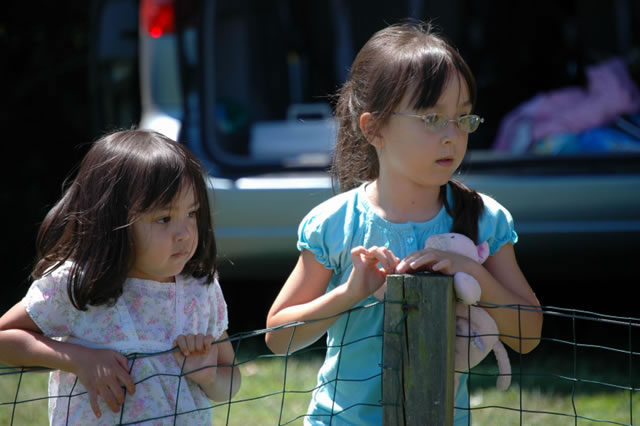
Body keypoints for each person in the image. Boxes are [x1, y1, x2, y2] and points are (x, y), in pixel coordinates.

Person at [265, 21, 542, 425]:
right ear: (374, 128)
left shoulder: (486, 220)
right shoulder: (334, 223)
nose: (451, 136)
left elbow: (528, 335)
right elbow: (277, 337)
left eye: (463, 118)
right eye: (432, 118)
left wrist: (472, 272)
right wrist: (349, 293)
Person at [0, 130, 241, 425]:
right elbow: (4, 339)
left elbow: (231, 378)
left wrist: (209, 376)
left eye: (192, 213)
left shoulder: (199, 290)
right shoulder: (80, 285)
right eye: (164, 218)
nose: (185, 233)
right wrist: (78, 358)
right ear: (113, 220)